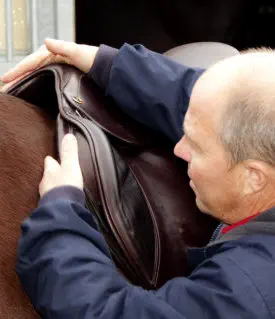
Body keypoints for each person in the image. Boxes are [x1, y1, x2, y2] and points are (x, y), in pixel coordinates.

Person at [2, 39, 275, 318]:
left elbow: (112, 313)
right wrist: (107, 63)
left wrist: (58, 219)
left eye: (197, 146)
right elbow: (207, 97)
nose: (180, 150)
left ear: (254, 178)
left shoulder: (251, 292)